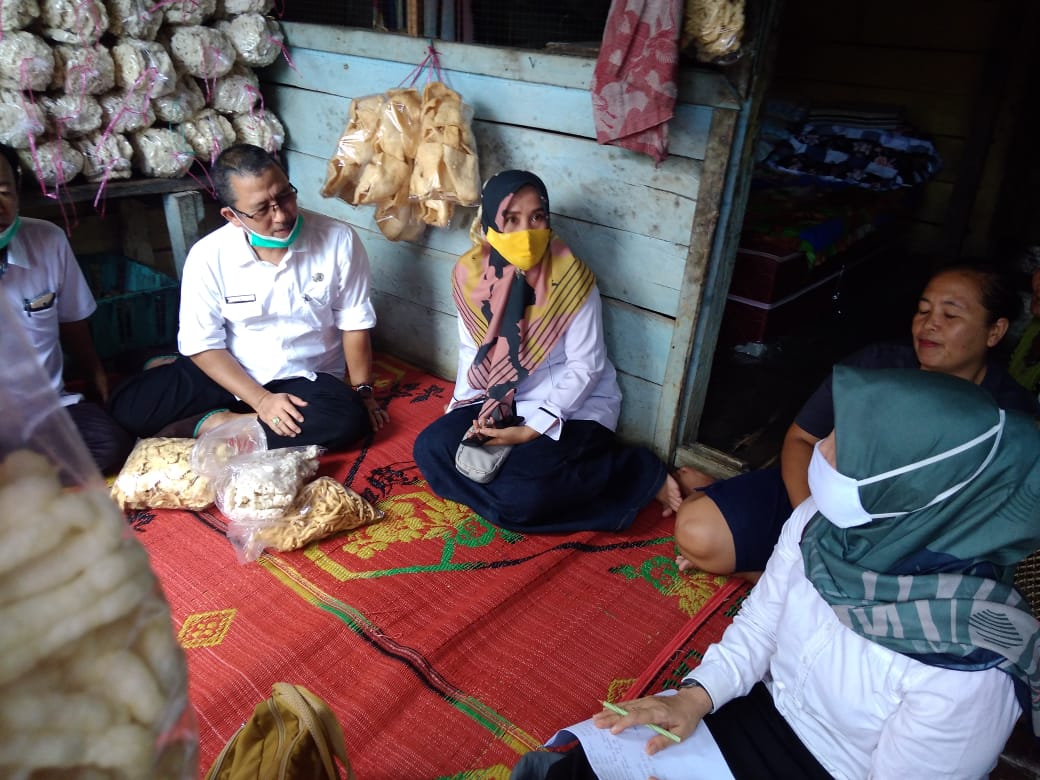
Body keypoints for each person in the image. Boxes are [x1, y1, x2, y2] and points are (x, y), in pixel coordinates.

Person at [512, 366, 1040, 780]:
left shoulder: (970, 669)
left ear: (913, 490)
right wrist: (693, 698)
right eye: (836, 431)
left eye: (854, 447)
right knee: (570, 771)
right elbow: (761, 625)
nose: (822, 449)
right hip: (757, 712)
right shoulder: (820, 524)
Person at [675, 261, 1040, 580]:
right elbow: (801, 440)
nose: (929, 324)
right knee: (698, 531)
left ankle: (781, 577)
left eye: (951, 315)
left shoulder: (1011, 418)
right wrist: (811, 530)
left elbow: (987, 523)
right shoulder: (876, 367)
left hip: (913, 546)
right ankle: (800, 574)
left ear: (995, 331)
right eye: (923, 310)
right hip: (824, 507)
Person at [413, 170, 680, 532]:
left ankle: (631, 470)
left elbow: (586, 367)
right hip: (502, 400)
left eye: (537, 217)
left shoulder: (570, 277)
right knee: (430, 448)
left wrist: (532, 430)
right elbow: (470, 351)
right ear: (490, 222)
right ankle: (523, 494)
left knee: (521, 498)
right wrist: (467, 413)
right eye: (511, 219)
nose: (527, 232)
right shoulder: (470, 276)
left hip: (575, 409)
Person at [108, 144, 388, 450]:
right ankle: (221, 407)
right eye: (262, 209)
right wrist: (262, 400)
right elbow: (203, 345)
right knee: (129, 411)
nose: (281, 215)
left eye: (285, 196)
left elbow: (354, 323)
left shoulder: (338, 239)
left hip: (304, 378)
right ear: (232, 215)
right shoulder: (208, 256)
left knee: (346, 420)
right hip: (231, 370)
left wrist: (363, 392)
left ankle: (217, 423)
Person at [0, 143, 133, 474]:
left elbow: (72, 321)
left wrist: (94, 372)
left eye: (3, 192)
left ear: (18, 190)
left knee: (109, 445)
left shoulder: (48, 241)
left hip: (46, 412)